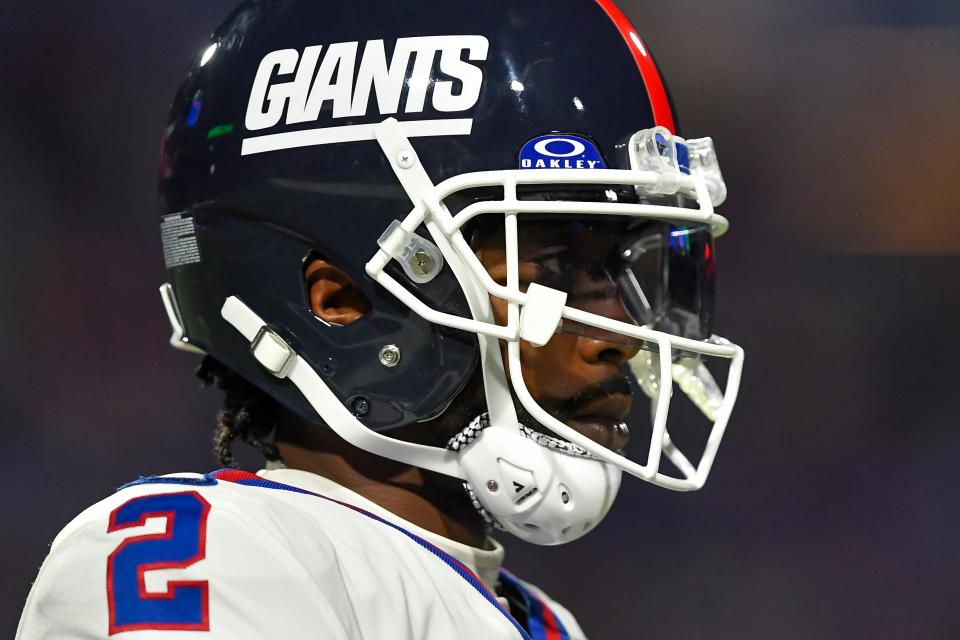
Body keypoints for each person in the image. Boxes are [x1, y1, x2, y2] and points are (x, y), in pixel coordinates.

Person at [17, 0, 744, 638]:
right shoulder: (212, 555)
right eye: (550, 269)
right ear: (340, 302)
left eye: (621, 269)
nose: (615, 335)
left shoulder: (541, 621)